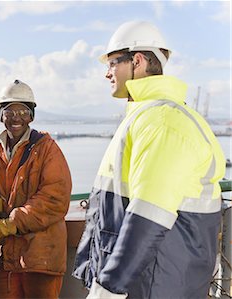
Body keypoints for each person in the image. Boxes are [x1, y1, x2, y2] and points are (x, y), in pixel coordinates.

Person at [72, 20, 226, 299]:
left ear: (138, 61)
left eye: (112, 64)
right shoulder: (146, 117)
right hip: (147, 281)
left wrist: (108, 287)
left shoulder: (162, 123)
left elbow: (148, 216)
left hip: (155, 286)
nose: (107, 74)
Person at [0, 79, 72, 298]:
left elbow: (55, 197)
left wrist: (14, 222)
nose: (16, 118)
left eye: (23, 111)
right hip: (3, 257)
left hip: (39, 257)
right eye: (10, 111)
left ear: (32, 116)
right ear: (1, 115)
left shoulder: (47, 149)